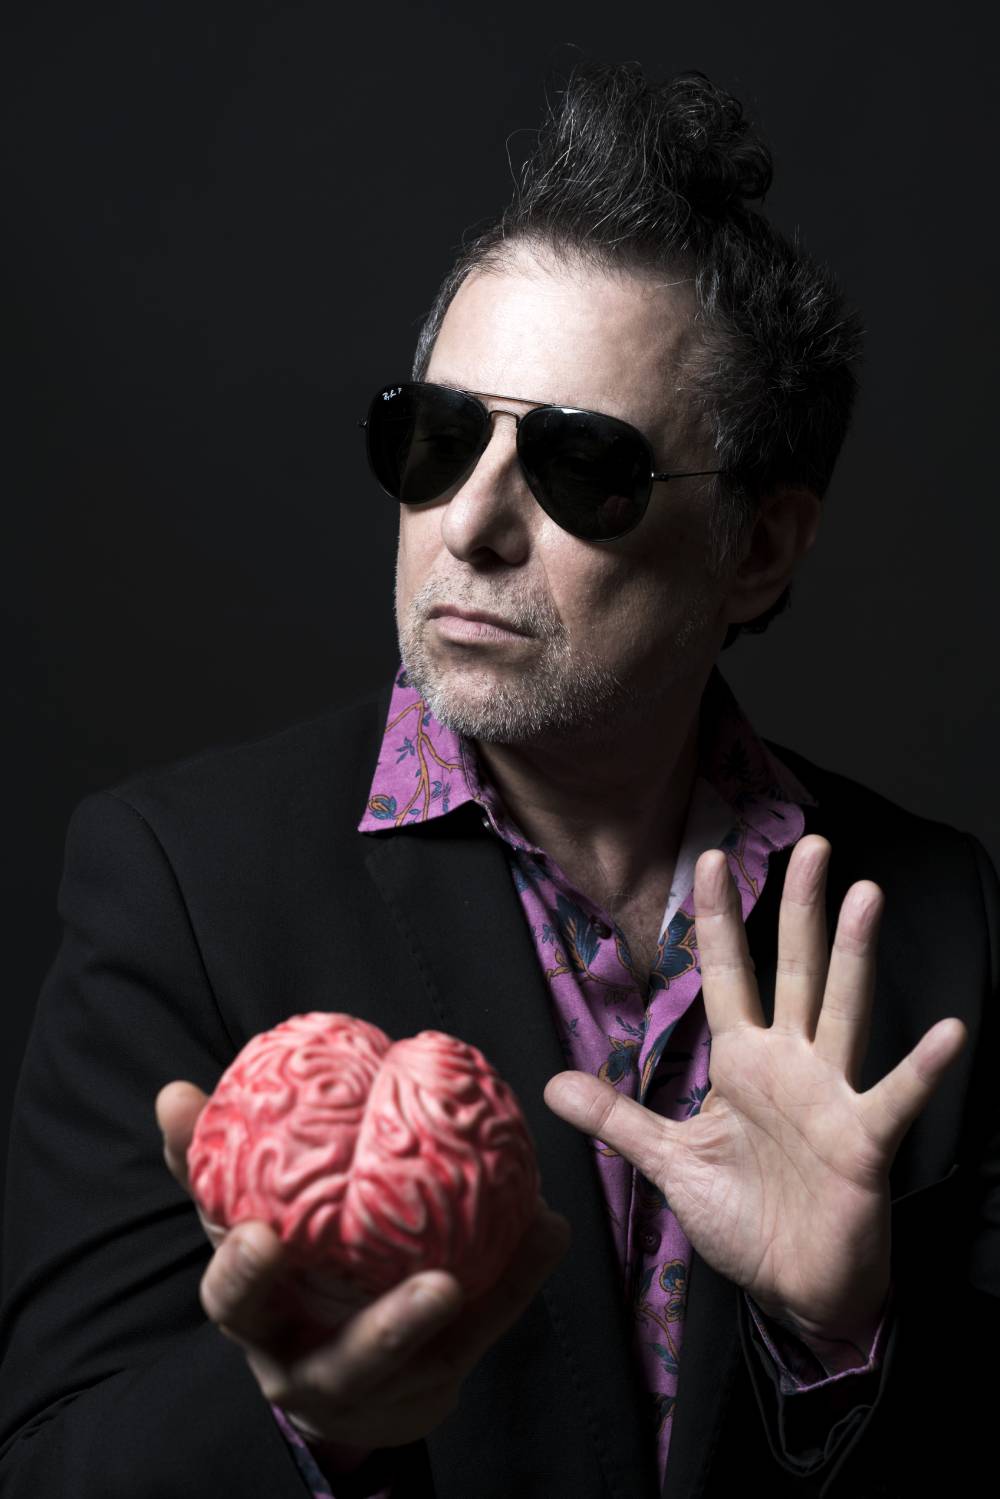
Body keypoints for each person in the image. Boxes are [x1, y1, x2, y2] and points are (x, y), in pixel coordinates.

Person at [1, 57, 997, 1499]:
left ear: (762, 548)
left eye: (584, 469)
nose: (469, 523)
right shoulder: (185, 886)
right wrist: (314, 1419)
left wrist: (834, 1334)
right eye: (437, 436)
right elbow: (50, 1468)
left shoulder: (940, 917)